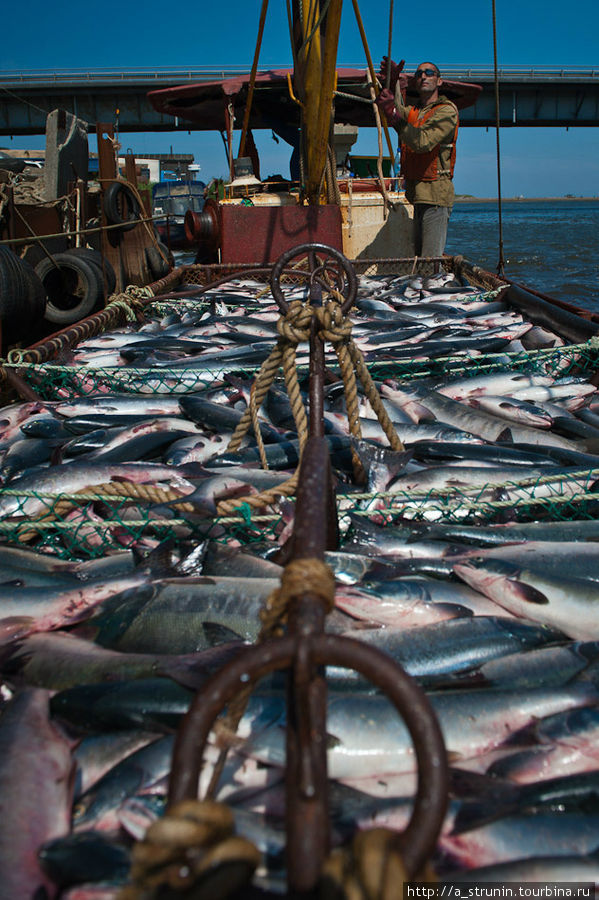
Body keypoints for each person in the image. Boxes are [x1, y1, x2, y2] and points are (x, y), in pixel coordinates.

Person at [375, 60, 459, 258]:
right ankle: (422, 287)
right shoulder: (416, 113)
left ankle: (428, 288)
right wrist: (391, 81)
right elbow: (391, 108)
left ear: (439, 81)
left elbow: (423, 142)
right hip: (418, 195)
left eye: (429, 73)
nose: (423, 76)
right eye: (419, 73)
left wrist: (394, 117)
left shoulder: (447, 111)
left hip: (436, 196)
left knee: (429, 262)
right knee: (420, 258)